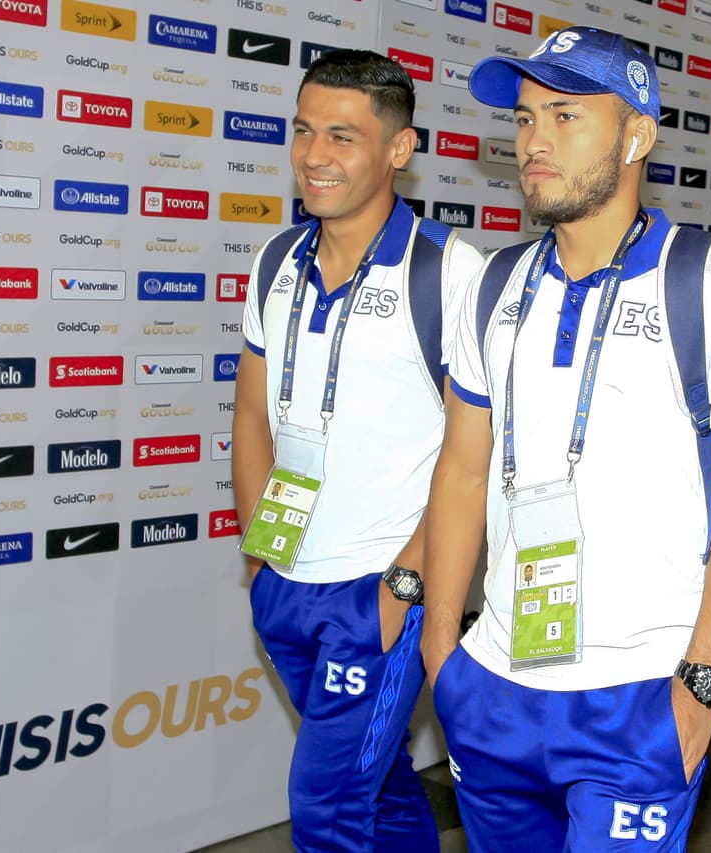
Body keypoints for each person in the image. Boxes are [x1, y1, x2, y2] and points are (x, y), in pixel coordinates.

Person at [421, 27, 711, 850]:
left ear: (636, 135)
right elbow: (461, 468)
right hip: (492, 685)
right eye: (523, 119)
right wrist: (443, 653)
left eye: (564, 115)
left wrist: (699, 686)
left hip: (640, 692)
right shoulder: (491, 284)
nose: (535, 141)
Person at [230, 48, 483, 852]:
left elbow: (474, 449)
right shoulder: (276, 259)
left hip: (381, 591)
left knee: (326, 807)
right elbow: (250, 408)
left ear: (398, 150)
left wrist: (406, 583)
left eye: (342, 135)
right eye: (304, 131)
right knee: (376, 786)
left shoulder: (448, 270)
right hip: (286, 583)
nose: (313, 156)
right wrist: (260, 555)